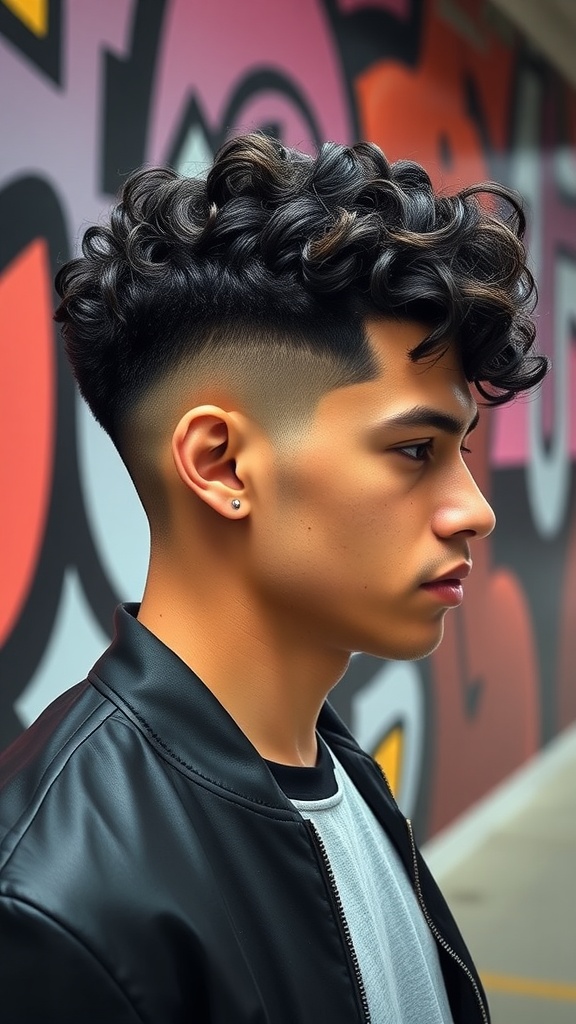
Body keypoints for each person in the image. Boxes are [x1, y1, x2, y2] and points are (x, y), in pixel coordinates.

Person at [0, 133, 546, 1024]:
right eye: (416, 450)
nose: (475, 509)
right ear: (220, 464)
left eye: (462, 452)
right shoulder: (52, 908)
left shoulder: (335, 770)